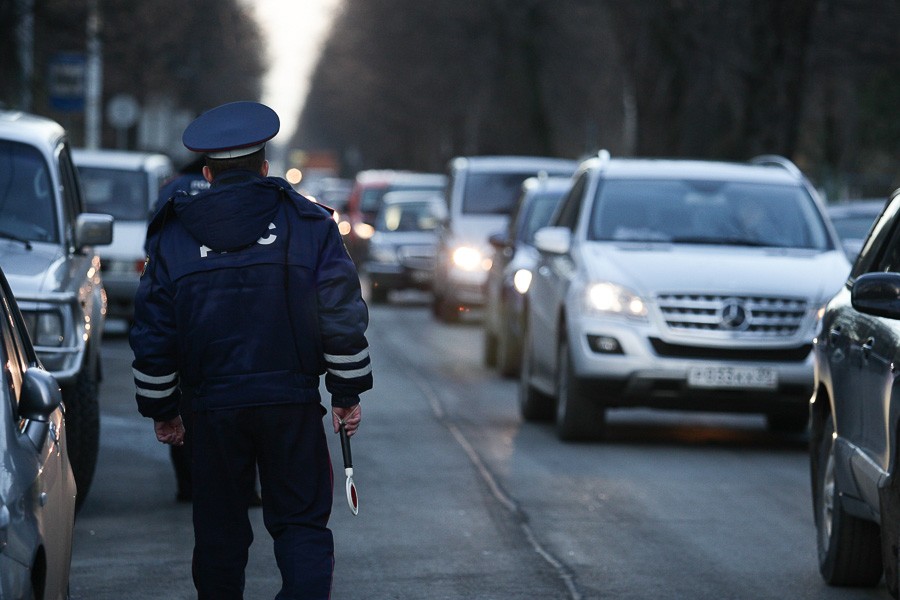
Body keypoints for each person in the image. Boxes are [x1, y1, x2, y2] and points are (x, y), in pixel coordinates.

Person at [130, 100, 372, 599]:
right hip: (292, 406)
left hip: (211, 412)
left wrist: (162, 408)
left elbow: (153, 329)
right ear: (264, 168)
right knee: (302, 525)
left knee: (218, 534)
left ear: (207, 174)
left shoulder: (173, 236)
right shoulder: (309, 225)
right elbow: (340, 313)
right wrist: (346, 393)